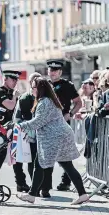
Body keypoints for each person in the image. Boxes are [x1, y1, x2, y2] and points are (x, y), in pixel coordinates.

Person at [16, 77, 89, 205]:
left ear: (40, 89)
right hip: (59, 136)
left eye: (34, 87)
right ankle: (82, 193)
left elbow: (38, 122)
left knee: (43, 164)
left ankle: (32, 195)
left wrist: (20, 126)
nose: (32, 89)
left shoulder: (44, 103)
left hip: (55, 138)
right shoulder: (48, 100)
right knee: (61, 165)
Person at [0, 70, 30, 192]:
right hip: (1, 128)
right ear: (5, 79)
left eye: (16, 80)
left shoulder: (12, 92)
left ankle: (21, 183)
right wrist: (15, 96)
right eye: (13, 80)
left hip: (13, 127)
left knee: (17, 156)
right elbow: (11, 106)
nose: (15, 82)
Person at [13, 72, 51, 197]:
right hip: (31, 136)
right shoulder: (24, 98)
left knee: (45, 163)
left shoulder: (47, 99)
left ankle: (45, 188)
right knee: (33, 162)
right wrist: (23, 128)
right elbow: (17, 117)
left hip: (44, 134)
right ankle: (39, 188)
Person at [47, 59, 82, 192]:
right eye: (51, 70)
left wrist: (71, 114)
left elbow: (79, 103)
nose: (53, 72)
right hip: (47, 124)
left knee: (64, 154)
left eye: (56, 70)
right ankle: (46, 184)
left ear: (60, 72)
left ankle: (66, 181)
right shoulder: (44, 85)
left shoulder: (67, 85)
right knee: (47, 153)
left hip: (62, 123)